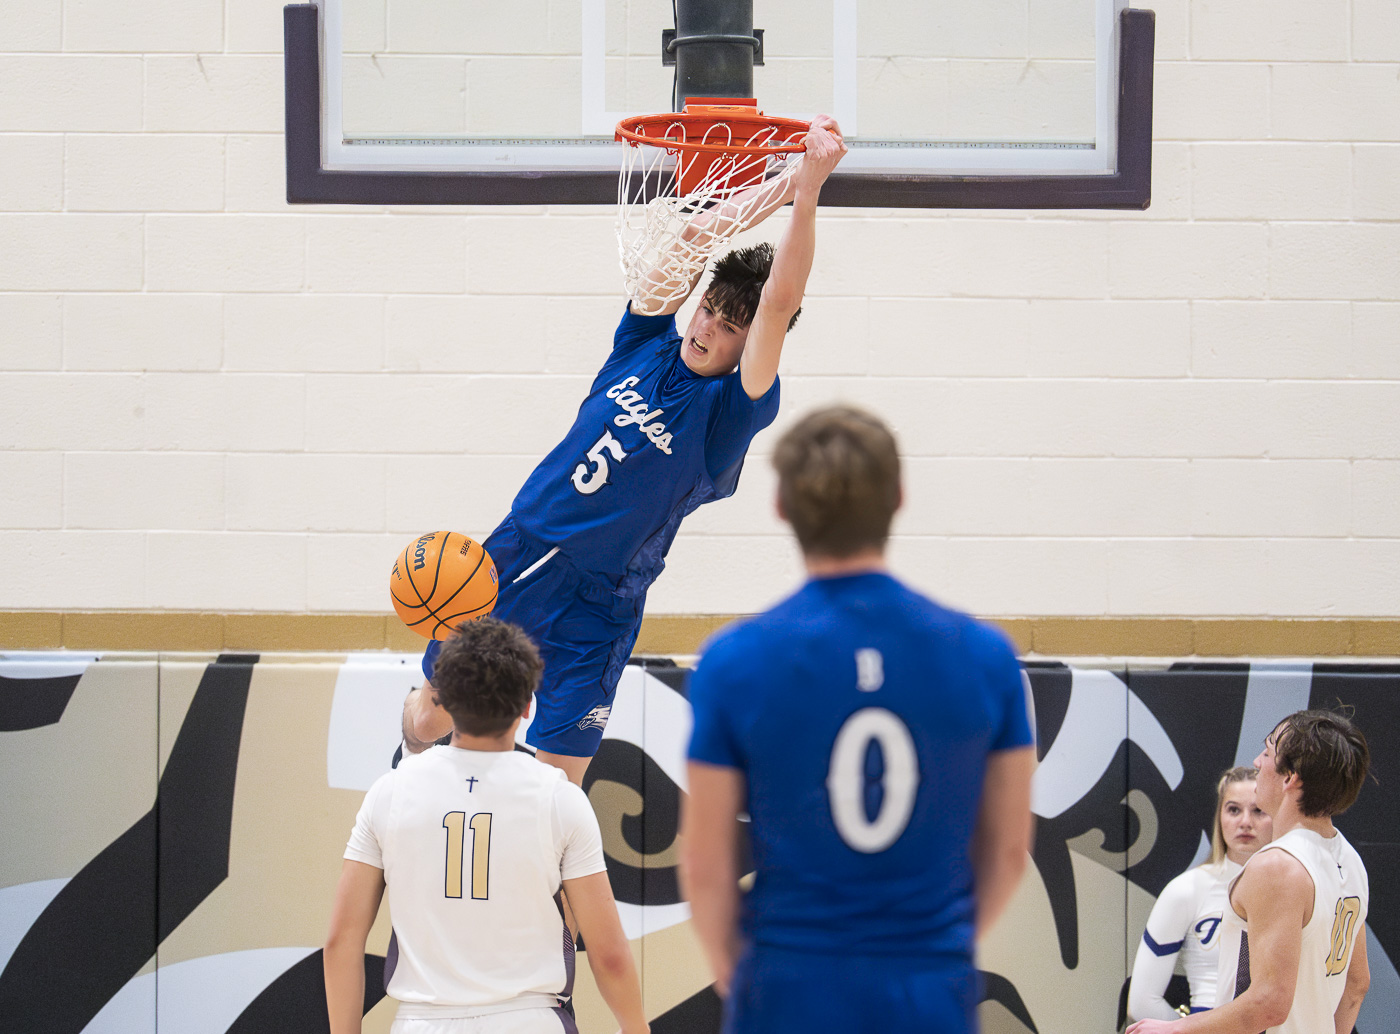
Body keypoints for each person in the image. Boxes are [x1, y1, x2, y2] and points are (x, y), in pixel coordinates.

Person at [401, 117, 850, 786]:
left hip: (598, 604)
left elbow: (779, 303)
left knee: (557, 789)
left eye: (729, 328)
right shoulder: (643, 344)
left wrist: (810, 194)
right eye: (707, 311)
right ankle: (407, 784)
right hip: (516, 554)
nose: (706, 329)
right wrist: (785, 181)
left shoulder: (732, 412)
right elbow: (697, 236)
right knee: (428, 723)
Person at [679, 405, 1037, 1034]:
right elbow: (1008, 852)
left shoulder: (734, 662)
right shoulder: (986, 657)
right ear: (898, 498)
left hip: (787, 983)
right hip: (927, 984)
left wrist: (743, 971)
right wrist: (935, 945)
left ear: (781, 507)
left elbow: (706, 868)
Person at [325, 618, 648, 1034]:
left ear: (443, 701)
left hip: (422, 1023)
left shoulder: (390, 792)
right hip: (530, 1021)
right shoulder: (560, 798)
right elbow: (610, 956)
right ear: (529, 704)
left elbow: (340, 943)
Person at [1126, 709, 1371, 1034]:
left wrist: (1175, 1030)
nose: (1257, 761)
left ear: (1290, 778)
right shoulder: (1351, 860)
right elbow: (1356, 985)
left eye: (1268, 751)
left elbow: (1269, 1002)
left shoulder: (1277, 866)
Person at [1128, 767, 1274, 1021]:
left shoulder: (1300, 889)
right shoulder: (1187, 891)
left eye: (1258, 810)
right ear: (1219, 817)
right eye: (1233, 809)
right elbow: (1141, 1004)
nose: (1245, 822)